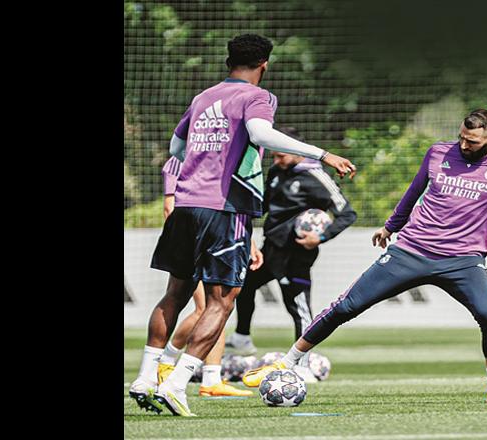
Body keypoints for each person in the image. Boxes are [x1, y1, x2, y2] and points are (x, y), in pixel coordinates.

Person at [128, 33, 356, 417]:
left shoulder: (203, 97)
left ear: (228, 60)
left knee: (175, 294)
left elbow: (176, 149)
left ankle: (146, 377)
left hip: (187, 205)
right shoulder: (258, 97)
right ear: (264, 64)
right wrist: (322, 153)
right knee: (222, 300)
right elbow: (260, 134)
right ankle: (177, 384)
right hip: (223, 208)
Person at [242, 109, 487, 405]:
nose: (464, 146)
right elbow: (414, 192)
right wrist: (391, 226)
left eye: (473, 142)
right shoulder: (438, 154)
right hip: (411, 250)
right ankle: (286, 362)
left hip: (463, 260)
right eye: (462, 138)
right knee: (346, 306)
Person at [225, 127, 357, 382]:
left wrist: (319, 237)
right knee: (245, 284)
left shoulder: (316, 177)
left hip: (295, 254)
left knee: (298, 307)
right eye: (273, 156)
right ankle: (242, 337)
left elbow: (347, 213)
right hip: (271, 248)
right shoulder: (277, 172)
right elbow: (263, 206)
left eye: (280, 156)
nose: (276, 161)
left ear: (296, 150)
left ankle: (304, 365)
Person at [153, 156, 256, 398]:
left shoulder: (215, 156)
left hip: (216, 235)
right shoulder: (179, 159)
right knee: (203, 309)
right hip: (192, 240)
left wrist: (246, 241)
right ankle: (166, 362)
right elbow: (170, 207)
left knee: (216, 308)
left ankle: (211, 378)